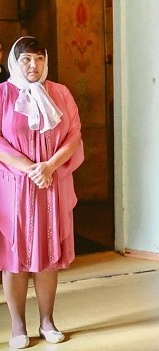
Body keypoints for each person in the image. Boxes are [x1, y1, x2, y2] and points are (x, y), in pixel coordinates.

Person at [0, 37, 84, 349]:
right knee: (15, 256)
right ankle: (17, 326)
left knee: (48, 254)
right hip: (15, 187)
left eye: (38, 58)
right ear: (15, 62)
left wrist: (49, 166)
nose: (33, 65)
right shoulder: (3, 94)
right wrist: (29, 167)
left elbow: (74, 134)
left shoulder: (60, 93)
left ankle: (47, 321)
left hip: (51, 184)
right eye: (26, 59)